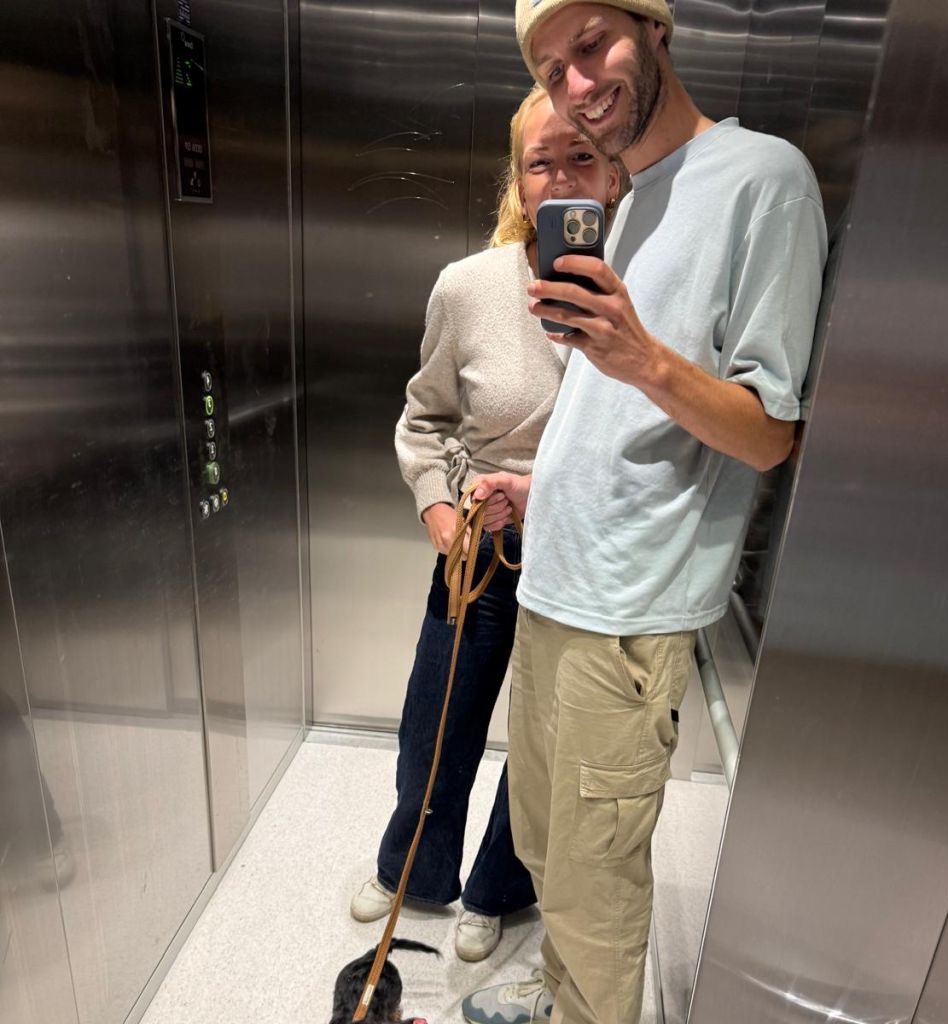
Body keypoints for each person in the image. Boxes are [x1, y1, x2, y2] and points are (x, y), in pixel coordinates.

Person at [462, 2, 827, 1022]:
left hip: (625, 610)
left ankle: (586, 1002)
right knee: (545, 845)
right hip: (556, 582)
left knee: (593, 886)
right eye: (551, 68)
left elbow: (770, 431)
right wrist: (541, 490)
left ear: (654, 28)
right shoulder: (630, 195)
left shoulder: (763, 180)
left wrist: (639, 355)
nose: (576, 86)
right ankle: (561, 991)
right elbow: (621, 415)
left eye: (591, 47)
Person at [350, 83, 621, 964]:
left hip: (579, 559)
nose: (561, 179)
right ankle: (414, 871)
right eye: (540, 162)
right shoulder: (467, 287)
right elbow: (423, 418)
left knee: (542, 744)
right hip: (478, 549)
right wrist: (438, 505)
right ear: (517, 178)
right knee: (435, 722)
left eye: (582, 157)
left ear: (615, 174)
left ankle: (498, 889)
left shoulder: (639, 297)